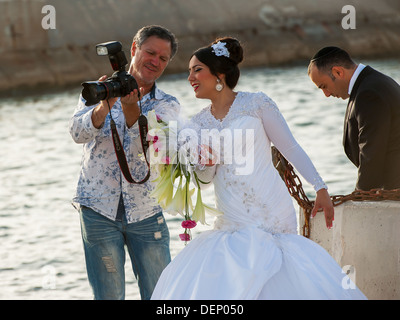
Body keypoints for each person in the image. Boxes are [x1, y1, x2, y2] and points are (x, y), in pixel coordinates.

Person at [151, 37, 366, 299]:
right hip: (232, 216)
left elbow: (291, 148)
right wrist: (199, 162)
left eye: (197, 70)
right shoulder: (197, 124)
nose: (190, 78)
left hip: (270, 210)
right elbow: (206, 178)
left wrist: (320, 187)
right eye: (189, 72)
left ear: (219, 75)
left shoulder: (256, 104)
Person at [69, 25, 180, 300]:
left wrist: (132, 112)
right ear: (133, 49)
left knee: (160, 296)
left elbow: (156, 149)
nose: (155, 61)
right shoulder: (97, 91)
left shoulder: (167, 104)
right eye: (150, 52)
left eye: (163, 58)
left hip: (146, 211)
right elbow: (77, 133)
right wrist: (105, 104)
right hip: (98, 210)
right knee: (108, 296)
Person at [308, 46, 400, 191]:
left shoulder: (368, 93)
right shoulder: (372, 83)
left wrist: (360, 194)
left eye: (324, 86)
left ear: (338, 72)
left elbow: (372, 152)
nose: (326, 94)